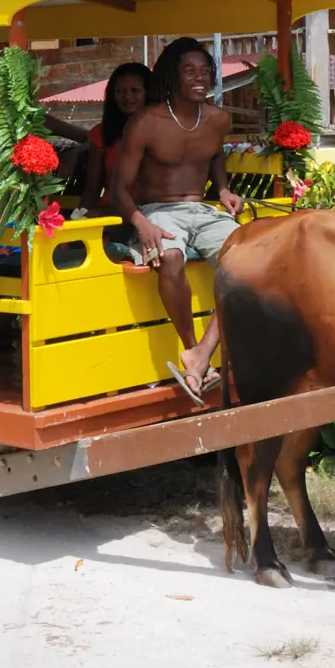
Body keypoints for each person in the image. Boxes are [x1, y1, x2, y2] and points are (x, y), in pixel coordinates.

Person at [112, 38, 244, 404]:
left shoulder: (218, 118)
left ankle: (202, 353)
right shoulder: (146, 122)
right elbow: (119, 188)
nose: (199, 78)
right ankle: (192, 349)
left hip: (203, 211)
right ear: (173, 76)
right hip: (158, 210)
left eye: (205, 71)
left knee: (247, 263)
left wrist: (223, 189)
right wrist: (141, 223)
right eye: (189, 71)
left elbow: (215, 156)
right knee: (170, 258)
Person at [81, 62, 152, 209]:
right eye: (120, 91)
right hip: (112, 216)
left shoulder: (165, 130)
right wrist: (80, 219)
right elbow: (91, 190)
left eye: (135, 90)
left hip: (156, 215)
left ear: (148, 93)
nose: (127, 96)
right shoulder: (101, 134)